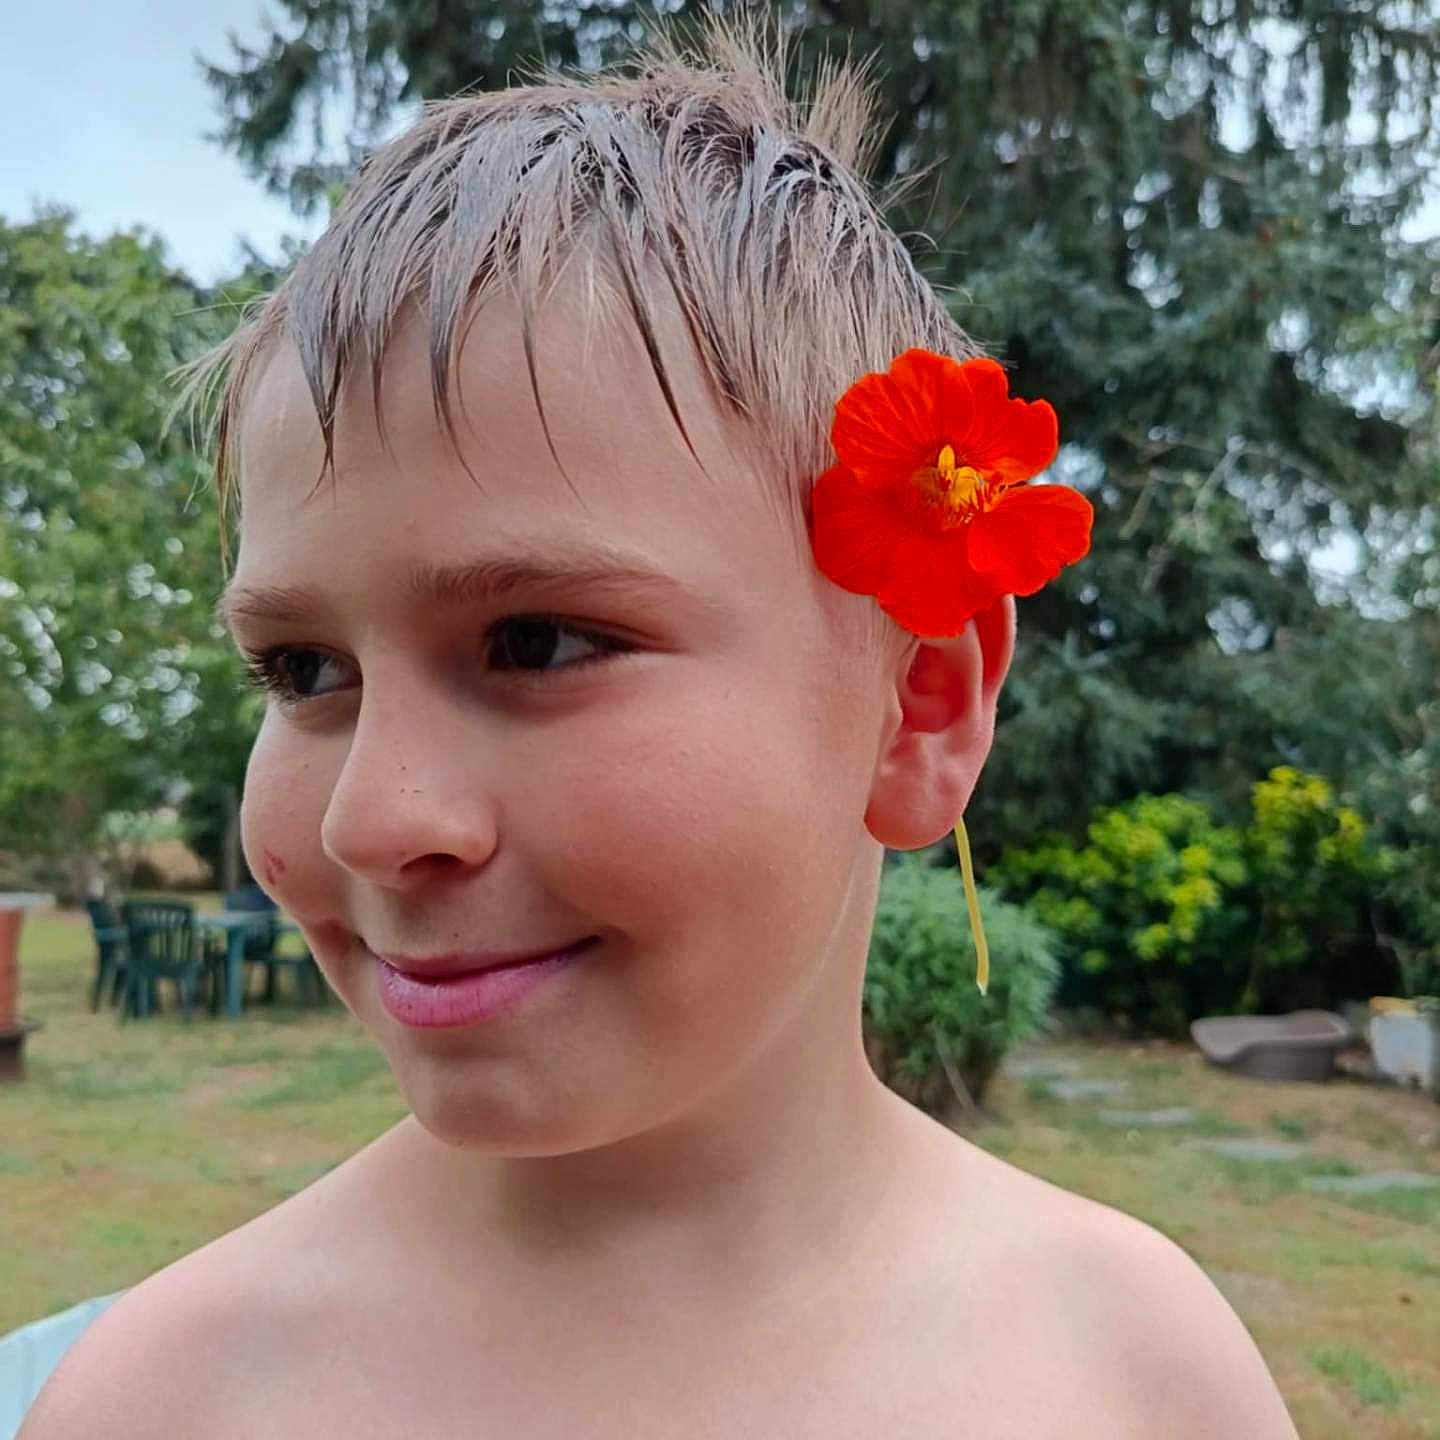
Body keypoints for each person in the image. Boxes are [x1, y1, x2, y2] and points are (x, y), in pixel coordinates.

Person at [21, 18, 1298, 1438]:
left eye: (541, 643)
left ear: (917, 709)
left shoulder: (1139, 1372)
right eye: (306, 671)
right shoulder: (165, 1400)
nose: (368, 820)